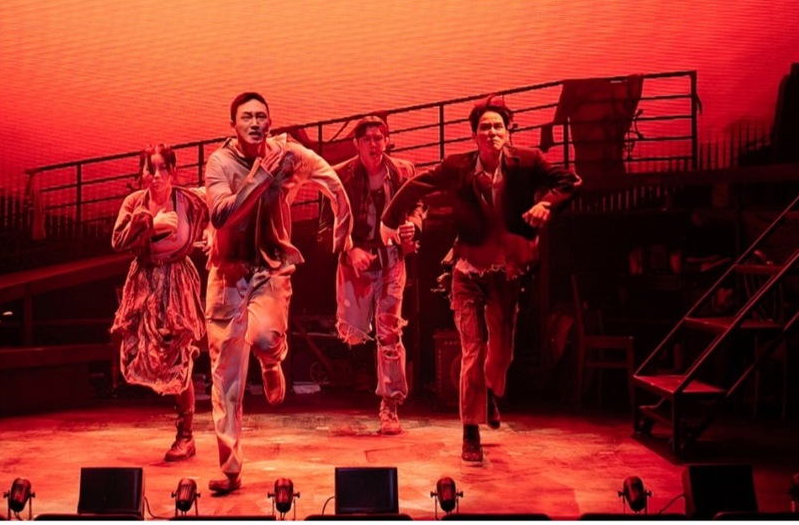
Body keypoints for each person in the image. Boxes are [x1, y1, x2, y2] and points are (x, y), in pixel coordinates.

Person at [382, 96, 580, 465]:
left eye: (497, 126)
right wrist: (389, 221)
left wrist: (547, 204)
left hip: (506, 274)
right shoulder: (456, 167)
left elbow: (569, 180)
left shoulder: (528, 162)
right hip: (467, 272)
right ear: (474, 135)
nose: (491, 132)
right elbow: (416, 185)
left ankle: (489, 393)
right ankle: (470, 431)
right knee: (472, 349)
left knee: (500, 357)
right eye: (484, 127)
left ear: (508, 132)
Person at [203, 92, 353, 494]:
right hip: (227, 274)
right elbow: (221, 213)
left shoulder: (287, 155)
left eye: (261, 117)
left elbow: (329, 179)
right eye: (246, 117)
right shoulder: (218, 162)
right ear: (233, 125)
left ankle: (271, 361)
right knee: (225, 378)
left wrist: (344, 231)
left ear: (270, 122)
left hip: (269, 269)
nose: (255, 123)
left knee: (266, 337)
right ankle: (231, 469)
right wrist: (260, 177)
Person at [319, 115, 424, 434]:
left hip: (391, 259)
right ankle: (363, 379)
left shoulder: (403, 171)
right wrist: (349, 250)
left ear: (387, 141)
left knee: (389, 330)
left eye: (379, 138)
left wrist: (413, 226)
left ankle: (390, 404)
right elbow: (325, 228)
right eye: (367, 139)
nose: (374, 144)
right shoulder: (339, 177)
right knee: (353, 331)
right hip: (356, 263)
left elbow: (418, 206)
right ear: (356, 144)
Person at [110, 144, 209, 463]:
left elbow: (218, 210)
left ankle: (186, 435)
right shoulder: (134, 204)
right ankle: (182, 427)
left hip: (176, 282)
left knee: (177, 354)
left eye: (162, 168)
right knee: (141, 352)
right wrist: (152, 224)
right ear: (141, 174)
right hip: (145, 282)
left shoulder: (189, 200)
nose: (156, 175)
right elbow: (118, 241)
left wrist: (212, 234)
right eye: (149, 169)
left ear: (173, 172)